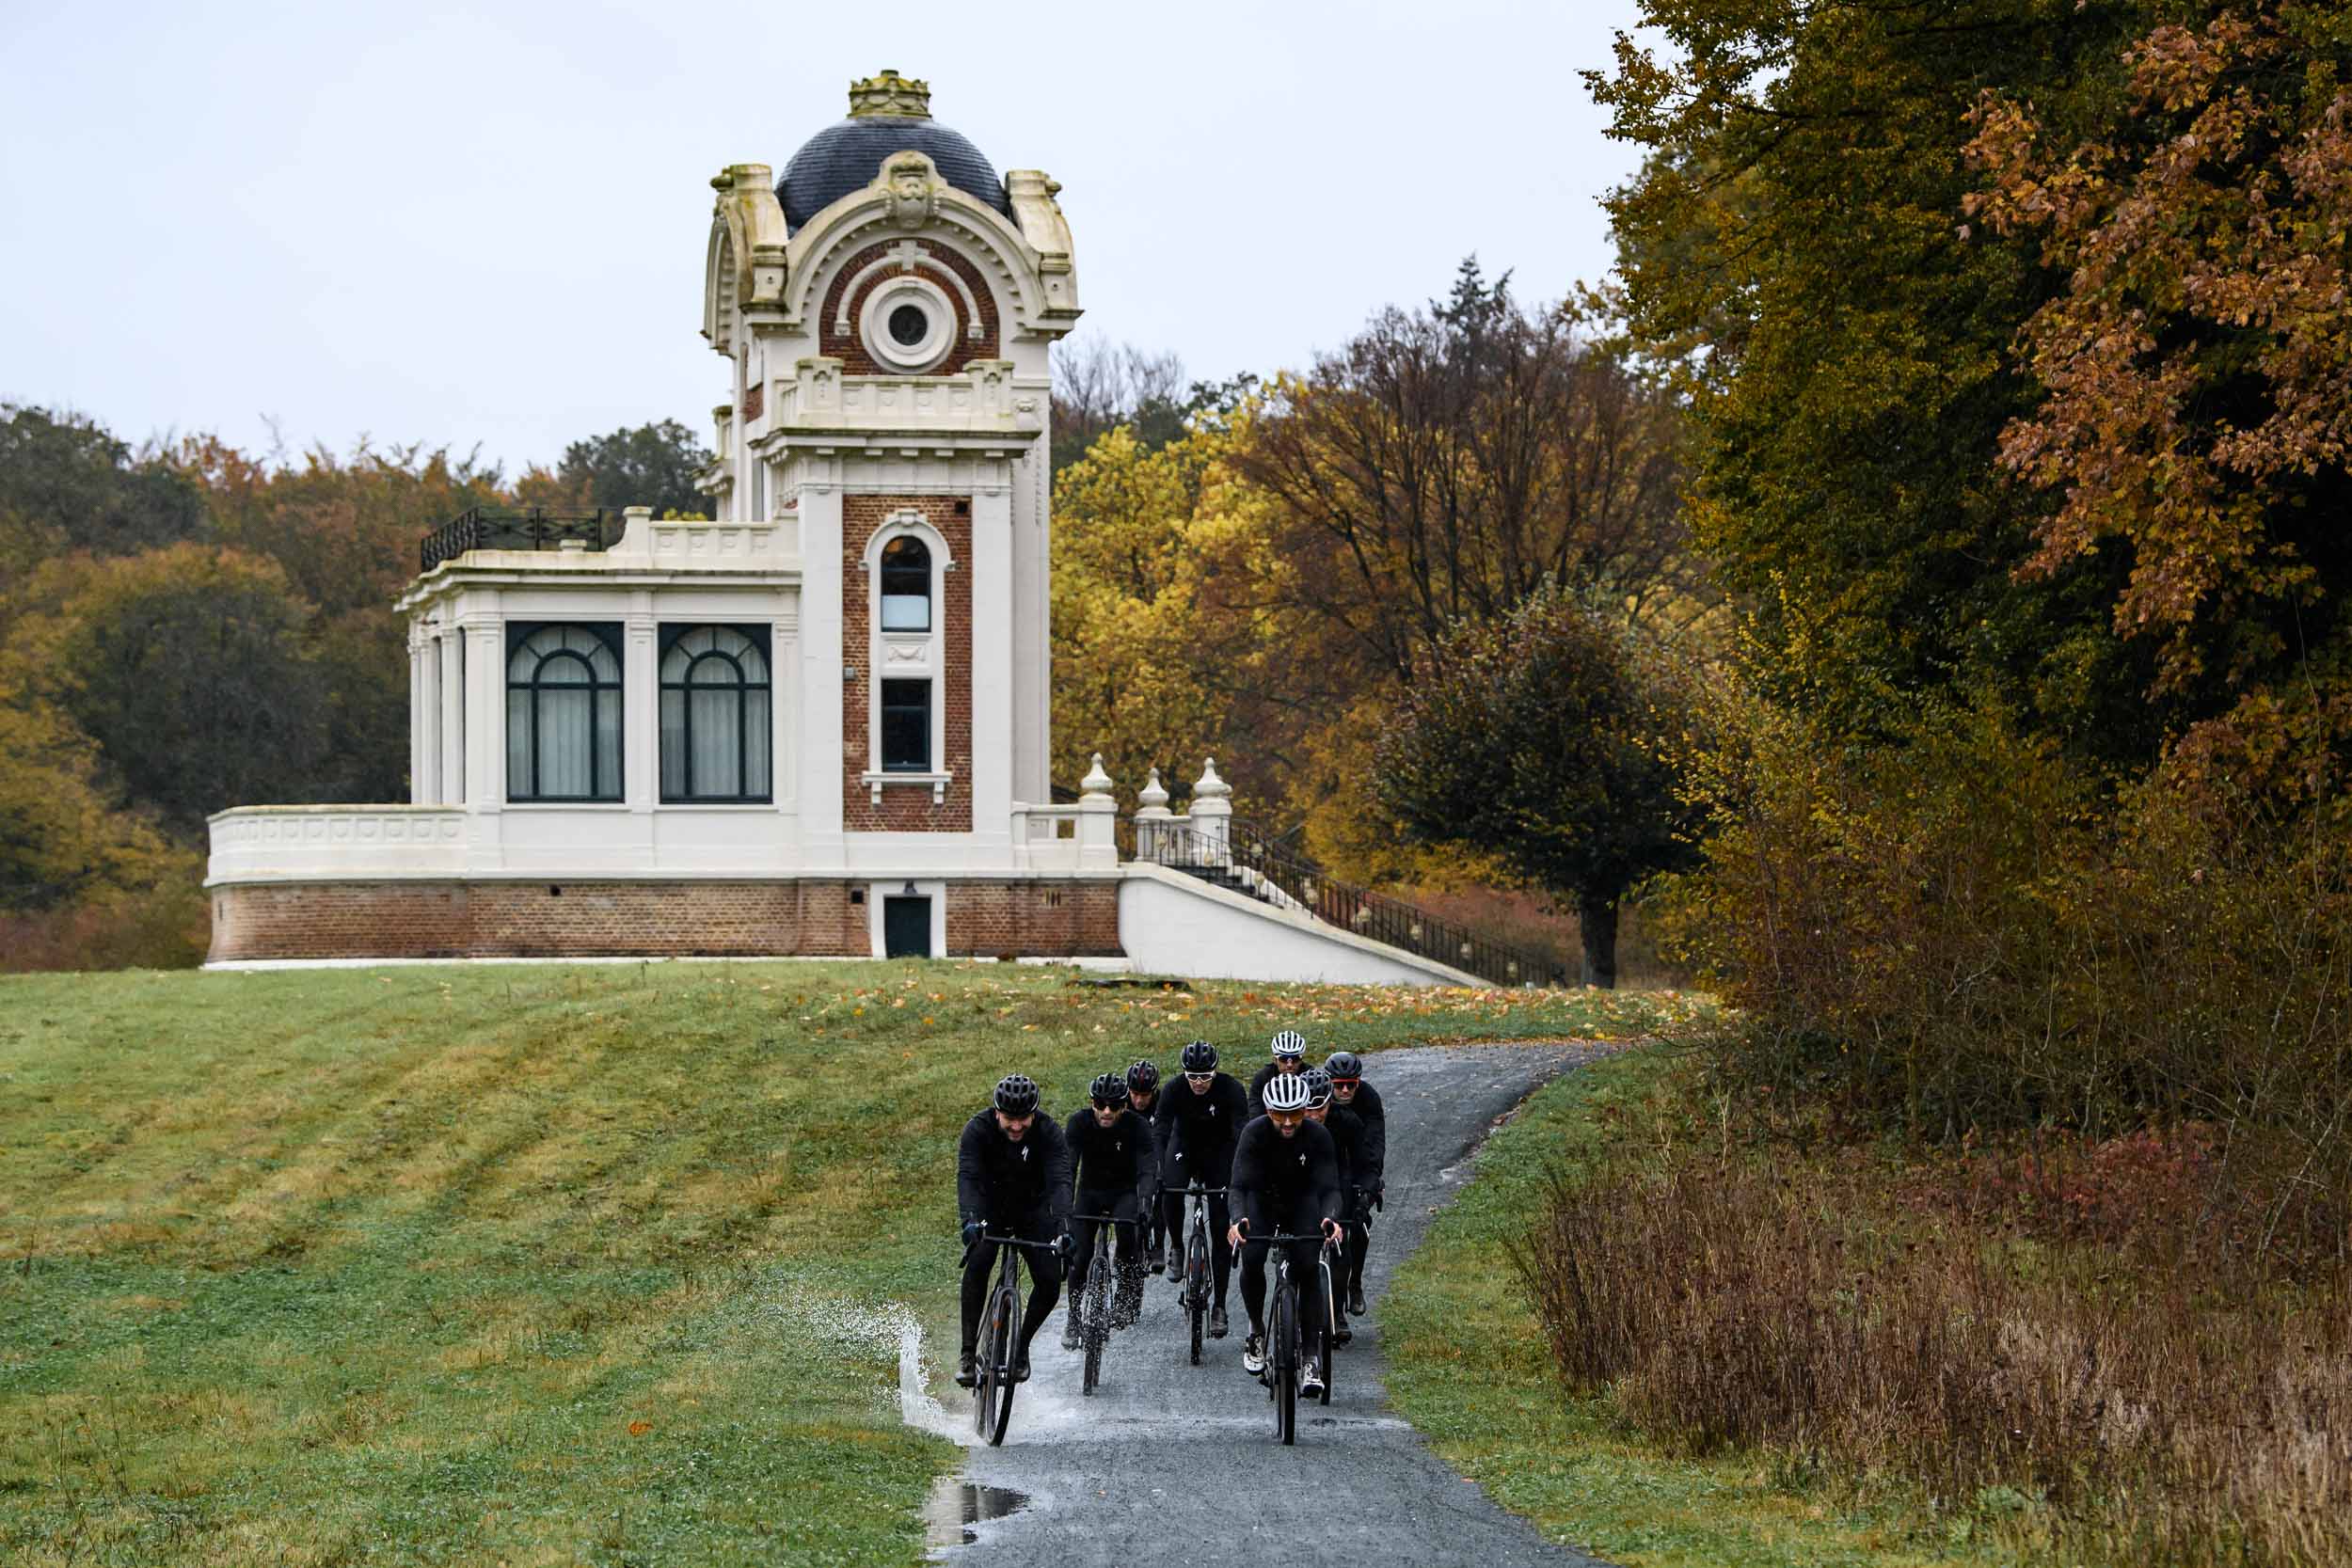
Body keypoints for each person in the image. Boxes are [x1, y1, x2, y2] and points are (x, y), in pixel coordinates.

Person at [1227, 1070, 1343, 1397]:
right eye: (1280, 1115)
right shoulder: (1254, 1133)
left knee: (1308, 1266)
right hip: (1262, 1202)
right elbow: (1238, 1186)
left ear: (1305, 1110)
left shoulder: (1318, 1136)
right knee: (1251, 1257)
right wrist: (1237, 1221)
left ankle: (1310, 1359)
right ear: (1269, 1111)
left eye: (1295, 1114)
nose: (1288, 1122)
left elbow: (1330, 1189)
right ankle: (1256, 1330)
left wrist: (1331, 1219)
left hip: (1302, 1203)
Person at [956, 1073, 1074, 1386]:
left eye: (1024, 1119)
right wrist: (969, 1221)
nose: (1017, 1126)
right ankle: (967, 1354)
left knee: (1049, 1281)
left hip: (1032, 1212)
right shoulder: (977, 1130)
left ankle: (1020, 1347)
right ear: (997, 1112)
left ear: (1034, 1113)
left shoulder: (1049, 1132)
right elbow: (968, 1178)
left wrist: (1064, 1228)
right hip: (990, 1209)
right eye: (1010, 1119)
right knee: (979, 1261)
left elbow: (1061, 1182)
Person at [1157, 1038, 1249, 1338]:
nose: (1198, 1083)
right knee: (1169, 1188)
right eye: (1193, 1076)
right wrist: (1157, 1169)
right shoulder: (1173, 1090)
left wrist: (1239, 1175)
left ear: (1215, 1072)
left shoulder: (1231, 1089)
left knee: (1221, 1227)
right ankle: (1177, 1246)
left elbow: (1242, 1133)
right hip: (1183, 1148)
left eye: (1205, 1076)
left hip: (1219, 1151)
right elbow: (1160, 1132)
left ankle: (1220, 1305)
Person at [1060, 1071, 1154, 1348]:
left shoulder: (1137, 1126)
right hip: (1089, 1193)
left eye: (1114, 1106)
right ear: (1092, 1103)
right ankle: (1073, 1316)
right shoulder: (1078, 1123)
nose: (1106, 1112)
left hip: (1123, 1193)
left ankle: (1125, 1297)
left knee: (1127, 1233)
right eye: (1100, 1105)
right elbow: (1068, 1169)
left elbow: (1147, 1168)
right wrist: (1063, 1208)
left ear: (1124, 1106)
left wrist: (1145, 1203)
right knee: (1080, 1254)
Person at [1300, 1066, 1363, 1346]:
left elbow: (1363, 1161)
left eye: (1321, 1108)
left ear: (1330, 1102)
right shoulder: (1289, 1124)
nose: (1314, 1116)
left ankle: (1337, 1312)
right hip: (1301, 1185)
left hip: (1336, 1184)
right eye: (1308, 1109)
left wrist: (1367, 1190)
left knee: (1341, 1245)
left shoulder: (1347, 1120)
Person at [1324, 1050, 1385, 1317]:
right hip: (1329, 1164)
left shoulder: (1369, 1099)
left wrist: (1370, 1186)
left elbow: (1375, 1145)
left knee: (1358, 1224)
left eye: (1352, 1084)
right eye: (1339, 1085)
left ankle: (1355, 1283)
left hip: (1357, 1162)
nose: (1346, 1090)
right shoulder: (1319, 1099)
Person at [1125, 1058, 1170, 1271]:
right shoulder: (1120, 1103)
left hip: (1154, 1154)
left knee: (1160, 1191)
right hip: (1128, 1153)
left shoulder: (1163, 1104)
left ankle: (1158, 1246)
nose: (1139, 1100)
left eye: (1144, 1095)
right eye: (1134, 1094)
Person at [1246, 1029, 1309, 1120]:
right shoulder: (1262, 1078)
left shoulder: (1309, 1075)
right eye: (1283, 1059)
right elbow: (1255, 1113)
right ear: (1275, 1060)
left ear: (1301, 1060)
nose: (1289, 1064)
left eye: (1295, 1059)